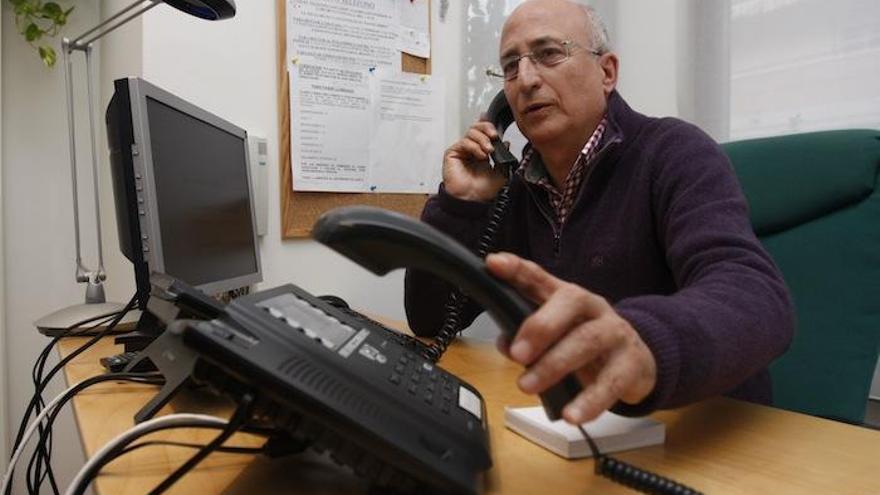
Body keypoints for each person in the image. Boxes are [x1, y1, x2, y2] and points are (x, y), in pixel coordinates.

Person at [404, 0, 794, 425]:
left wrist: (645, 345)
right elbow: (429, 319)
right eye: (511, 66)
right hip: (575, 422)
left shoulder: (675, 152)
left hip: (696, 427)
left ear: (606, 72)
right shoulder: (510, 192)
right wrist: (460, 206)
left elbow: (756, 295)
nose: (527, 80)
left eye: (550, 53)